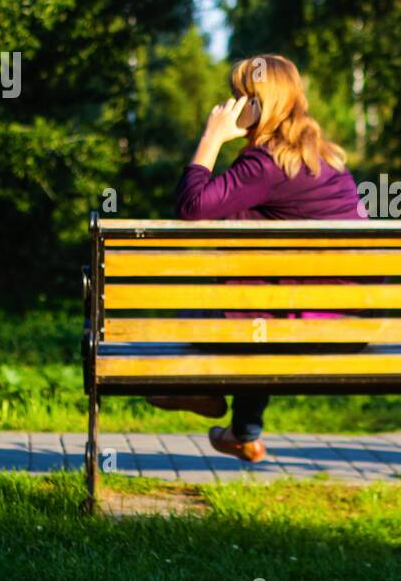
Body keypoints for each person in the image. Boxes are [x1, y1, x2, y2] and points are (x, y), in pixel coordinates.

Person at [147, 54, 368, 462]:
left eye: (238, 95)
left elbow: (191, 207)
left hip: (303, 325)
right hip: (351, 323)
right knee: (258, 301)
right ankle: (243, 431)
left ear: (258, 103)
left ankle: (199, 387)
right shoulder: (327, 158)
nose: (229, 106)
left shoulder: (265, 163)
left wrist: (211, 138)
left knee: (204, 315)